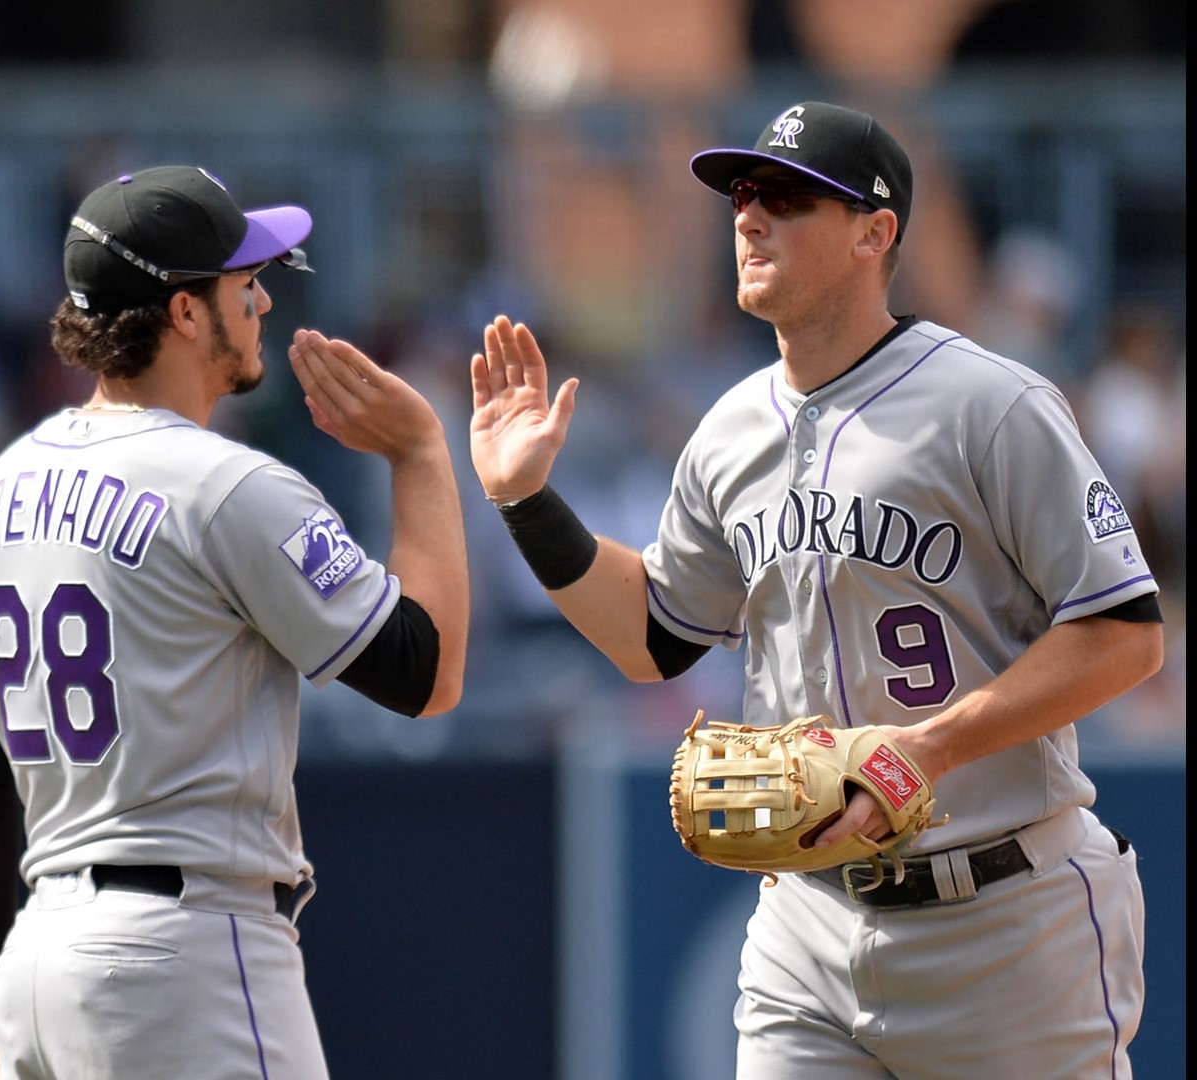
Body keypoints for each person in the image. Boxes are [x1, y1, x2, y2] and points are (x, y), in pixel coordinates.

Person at [469, 101, 1162, 1078]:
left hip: (1002, 914)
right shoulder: (727, 432)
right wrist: (528, 502)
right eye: (743, 195)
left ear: (876, 233)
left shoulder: (992, 406)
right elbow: (654, 639)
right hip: (806, 925)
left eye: (788, 198)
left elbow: (1126, 636)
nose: (749, 217)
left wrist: (928, 749)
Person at [0, 165, 469, 1078]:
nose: (260, 300)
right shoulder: (227, 487)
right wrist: (418, 455)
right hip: (183, 956)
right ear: (182, 313)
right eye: (242, 281)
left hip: (37, 957)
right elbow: (428, 674)